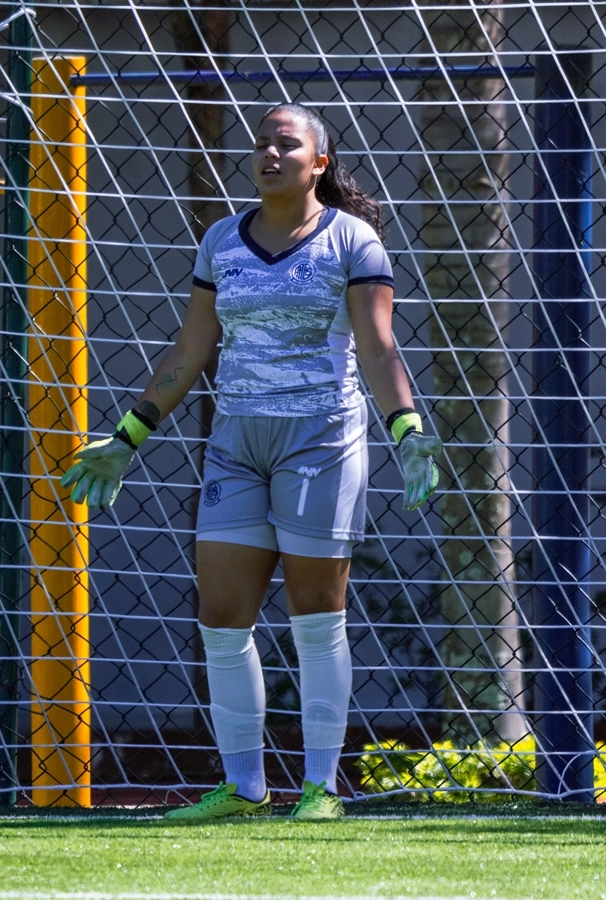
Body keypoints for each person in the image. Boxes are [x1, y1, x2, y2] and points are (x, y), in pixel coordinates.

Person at [61, 103, 441, 820]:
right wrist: (126, 437)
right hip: (237, 448)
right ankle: (242, 789)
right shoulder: (219, 242)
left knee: (316, 614)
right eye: (262, 142)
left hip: (320, 443)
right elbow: (190, 351)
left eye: (286, 143)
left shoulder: (352, 240)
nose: (269, 152)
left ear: (319, 163)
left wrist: (408, 427)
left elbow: (378, 346)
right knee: (221, 615)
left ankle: (321, 789)